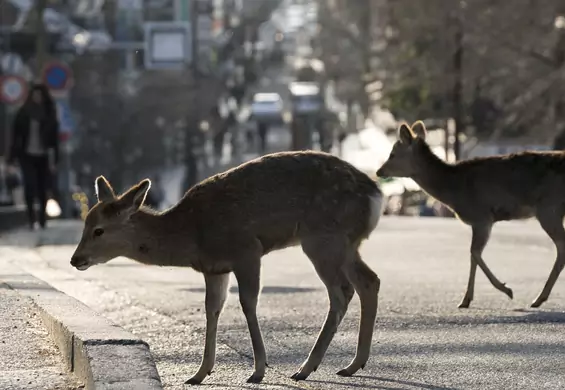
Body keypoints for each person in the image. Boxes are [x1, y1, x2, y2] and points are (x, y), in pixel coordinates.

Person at [7, 83, 59, 230]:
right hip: (26, 155)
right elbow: (15, 137)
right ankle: (31, 219)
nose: (37, 98)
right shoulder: (23, 113)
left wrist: (55, 160)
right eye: (35, 95)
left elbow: (54, 140)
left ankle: (42, 219)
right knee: (30, 186)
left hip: (43, 156)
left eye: (40, 95)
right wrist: (11, 159)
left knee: (42, 188)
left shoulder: (49, 114)